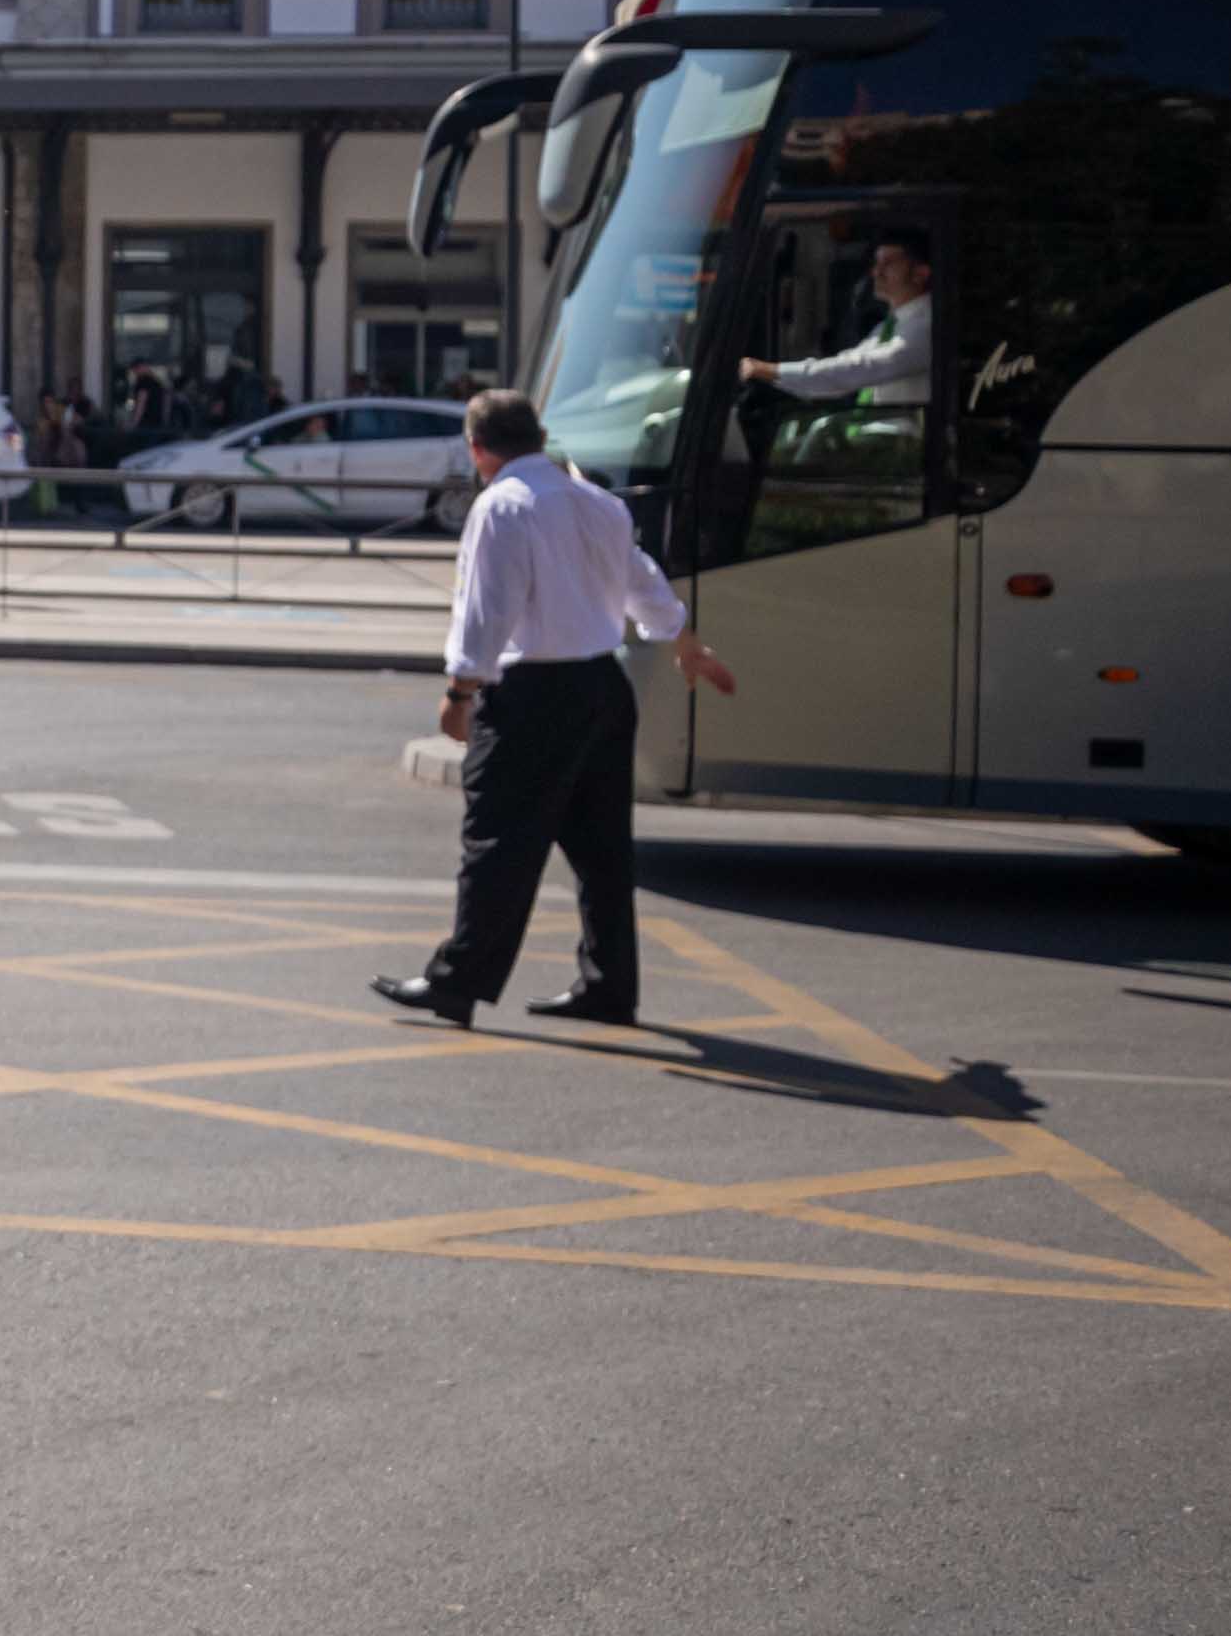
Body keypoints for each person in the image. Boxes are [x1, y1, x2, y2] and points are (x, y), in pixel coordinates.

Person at [379, 387, 739, 1032]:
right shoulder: (599, 501)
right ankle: (609, 986)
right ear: (540, 439)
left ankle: (457, 983)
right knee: (603, 851)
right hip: (603, 687)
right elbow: (642, 579)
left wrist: (462, 691)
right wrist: (684, 643)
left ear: (476, 449)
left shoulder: (503, 506)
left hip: (532, 695)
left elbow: (490, 609)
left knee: (496, 844)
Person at [743, 227, 938, 412]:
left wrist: (766, 370)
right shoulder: (888, 326)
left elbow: (853, 371)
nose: (876, 272)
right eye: (876, 263)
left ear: (920, 274)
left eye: (888, 264)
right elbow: (840, 375)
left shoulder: (927, 326)